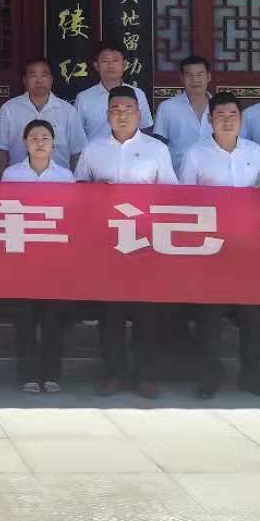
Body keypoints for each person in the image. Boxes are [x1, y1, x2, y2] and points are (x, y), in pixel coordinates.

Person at [76, 85, 179, 399]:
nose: (122, 115)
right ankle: (112, 374)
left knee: (147, 315)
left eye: (128, 109)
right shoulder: (93, 149)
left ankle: (145, 375)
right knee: (111, 315)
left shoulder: (156, 149)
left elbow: (170, 193)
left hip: (146, 244)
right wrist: (95, 190)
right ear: (107, 114)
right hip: (108, 244)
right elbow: (78, 190)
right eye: (116, 109)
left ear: (140, 114)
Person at [178, 92, 260, 399]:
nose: (227, 120)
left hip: (247, 246)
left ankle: (254, 377)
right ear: (210, 120)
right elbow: (184, 199)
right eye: (220, 115)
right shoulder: (196, 154)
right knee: (209, 317)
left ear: (241, 119)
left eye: (232, 114)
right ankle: (210, 377)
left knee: (251, 315)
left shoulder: (254, 151)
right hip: (210, 248)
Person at [2, 119, 76, 394]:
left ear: (54, 143)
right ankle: (28, 374)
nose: (39, 143)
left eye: (45, 138)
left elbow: (72, 216)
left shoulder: (65, 176)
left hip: (54, 257)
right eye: (34, 138)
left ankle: (52, 373)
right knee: (25, 318)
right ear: (25, 143)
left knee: (52, 318)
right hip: (22, 257)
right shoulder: (12, 175)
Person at [0, 58, 86, 177]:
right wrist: (2, 183)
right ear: (25, 80)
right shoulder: (9, 109)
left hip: (59, 180)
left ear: (51, 80)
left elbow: (77, 152)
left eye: (44, 75)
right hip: (19, 180)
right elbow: (1, 150)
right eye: (33, 75)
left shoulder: (68, 111)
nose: (39, 80)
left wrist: (74, 182)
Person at [75, 43, 154, 141]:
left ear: (124, 65)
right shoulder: (84, 98)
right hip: (95, 150)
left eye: (115, 60)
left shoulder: (138, 94)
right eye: (105, 61)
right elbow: (76, 135)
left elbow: (146, 128)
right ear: (96, 66)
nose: (110, 65)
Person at [154, 54, 214, 168]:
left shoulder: (219, 108)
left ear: (208, 77)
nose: (195, 80)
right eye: (189, 75)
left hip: (213, 173)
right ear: (182, 78)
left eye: (200, 75)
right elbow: (159, 145)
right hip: (177, 173)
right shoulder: (167, 107)